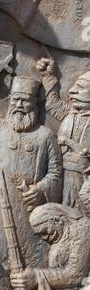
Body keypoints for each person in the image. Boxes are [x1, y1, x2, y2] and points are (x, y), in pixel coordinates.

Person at [0, 73, 63, 267]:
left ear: (36, 105)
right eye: (15, 99)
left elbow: (55, 173)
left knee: (33, 258)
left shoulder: (46, 136)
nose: (19, 105)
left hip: (32, 207)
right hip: (1, 206)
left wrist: (40, 189)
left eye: (25, 100)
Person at [37, 57, 90, 210]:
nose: (72, 90)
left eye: (81, 87)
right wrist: (48, 77)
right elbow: (52, 104)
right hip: (63, 180)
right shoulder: (71, 114)